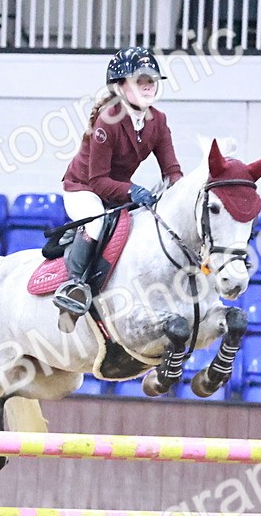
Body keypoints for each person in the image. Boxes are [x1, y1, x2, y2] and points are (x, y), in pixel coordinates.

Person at [53, 46, 183, 333]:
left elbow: (172, 170)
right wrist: (133, 191)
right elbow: (98, 180)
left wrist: (181, 194)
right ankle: (74, 288)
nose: (148, 85)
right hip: (83, 188)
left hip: (116, 193)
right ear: (120, 86)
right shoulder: (107, 121)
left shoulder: (158, 121)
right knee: (97, 223)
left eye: (152, 80)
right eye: (140, 80)